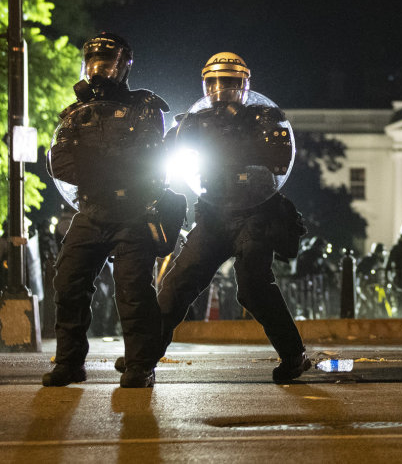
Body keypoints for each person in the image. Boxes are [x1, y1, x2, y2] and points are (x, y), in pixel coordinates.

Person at [126, 52, 310, 383]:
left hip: (254, 213)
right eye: (214, 82)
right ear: (205, 84)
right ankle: (142, 360)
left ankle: (294, 355)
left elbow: (280, 162)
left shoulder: (263, 120)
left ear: (244, 84)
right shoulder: (195, 122)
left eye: (229, 82)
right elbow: (164, 151)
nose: (221, 89)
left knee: (253, 286)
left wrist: (245, 169)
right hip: (212, 215)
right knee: (179, 282)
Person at [44, 32, 183, 388]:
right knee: (68, 282)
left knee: (133, 290)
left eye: (106, 63)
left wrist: (96, 164)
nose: (98, 70)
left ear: (122, 67)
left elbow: (146, 158)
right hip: (91, 210)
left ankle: (140, 366)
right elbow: (59, 161)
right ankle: (70, 362)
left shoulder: (145, 107)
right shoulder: (76, 113)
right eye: (93, 62)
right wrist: (104, 167)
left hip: (134, 210)